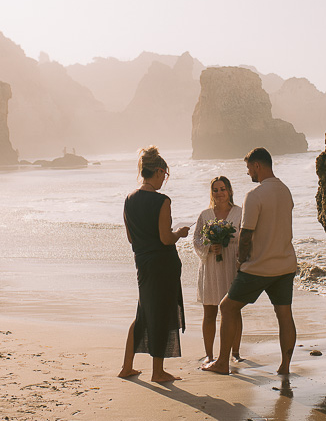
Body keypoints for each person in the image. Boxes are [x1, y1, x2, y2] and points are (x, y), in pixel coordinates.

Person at [202, 147, 297, 375]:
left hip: (259, 266)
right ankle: (284, 366)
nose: (248, 174)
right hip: (285, 265)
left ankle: (222, 362)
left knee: (227, 307)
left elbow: (246, 234)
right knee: (284, 315)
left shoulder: (254, 195)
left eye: (248, 168)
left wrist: (240, 262)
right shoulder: (286, 191)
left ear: (257, 165)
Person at [118, 146, 190, 382]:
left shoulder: (129, 199)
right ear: (158, 171)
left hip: (143, 264)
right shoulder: (162, 201)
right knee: (160, 314)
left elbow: (130, 238)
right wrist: (179, 233)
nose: (164, 180)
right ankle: (157, 371)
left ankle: (127, 366)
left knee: (144, 313)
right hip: (162, 265)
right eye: (165, 175)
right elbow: (165, 238)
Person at [192, 176, 244, 363]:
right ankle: (209, 354)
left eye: (223, 189)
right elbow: (196, 239)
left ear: (229, 190)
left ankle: (235, 353)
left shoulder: (240, 213)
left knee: (233, 310)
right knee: (210, 311)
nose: (219, 193)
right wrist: (209, 246)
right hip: (211, 267)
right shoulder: (205, 215)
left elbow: (247, 238)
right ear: (211, 193)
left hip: (232, 266)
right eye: (215, 190)